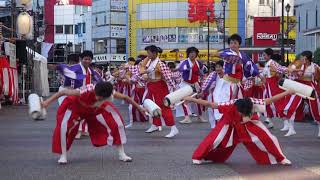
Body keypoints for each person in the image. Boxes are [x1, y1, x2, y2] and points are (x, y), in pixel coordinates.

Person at [41, 81, 146, 164]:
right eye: (97, 95)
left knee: (117, 123)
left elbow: (126, 97)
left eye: (100, 97)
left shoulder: (109, 92)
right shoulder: (84, 91)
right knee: (63, 128)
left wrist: (140, 108)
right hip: (76, 107)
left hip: (95, 109)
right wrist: (47, 102)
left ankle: (122, 154)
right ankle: (63, 155)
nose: (97, 98)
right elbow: (62, 92)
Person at [183, 89, 295, 165]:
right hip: (229, 123)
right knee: (215, 140)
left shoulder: (253, 102)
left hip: (250, 123)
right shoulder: (230, 104)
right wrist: (192, 99)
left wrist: (287, 92)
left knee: (269, 138)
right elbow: (209, 104)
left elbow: (271, 99)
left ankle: (281, 158)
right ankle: (198, 157)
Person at [139, 45, 179, 138]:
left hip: (159, 86)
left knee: (164, 107)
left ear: (154, 53)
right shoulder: (149, 62)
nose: (147, 55)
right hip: (151, 85)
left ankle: (173, 128)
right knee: (151, 106)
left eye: (149, 53)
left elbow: (168, 77)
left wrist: (174, 90)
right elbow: (141, 68)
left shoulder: (160, 64)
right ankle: (155, 124)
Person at [281, 51, 320, 137]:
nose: (301, 58)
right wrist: (298, 70)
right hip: (298, 85)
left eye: (303, 57)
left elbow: (318, 79)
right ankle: (291, 129)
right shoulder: (298, 63)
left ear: (307, 58)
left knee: (315, 108)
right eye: (301, 57)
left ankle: (319, 128)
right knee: (292, 106)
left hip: (310, 86)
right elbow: (289, 69)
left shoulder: (315, 67)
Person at [176, 47, 207, 124]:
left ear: (196, 54)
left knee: (198, 101)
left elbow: (204, 70)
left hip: (195, 84)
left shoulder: (198, 63)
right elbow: (181, 68)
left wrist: (202, 74)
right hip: (185, 84)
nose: (192, 54)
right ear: (188, 54)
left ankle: (200, 117)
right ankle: (187, 117)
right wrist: (186, 69)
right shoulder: (185, 62)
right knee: (184, 101)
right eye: (191, 52)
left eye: (194, 52)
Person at [201, 60, 224, 128]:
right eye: (216, 67)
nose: (218, 69)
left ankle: (221, 126)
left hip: (224, 97)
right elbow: (206, 84)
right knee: (211, 111)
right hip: (213, 96)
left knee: (221, 111)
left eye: (220, 67)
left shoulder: (227, 75)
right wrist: (202, 91)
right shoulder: (213, 74)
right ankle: (214, 127)